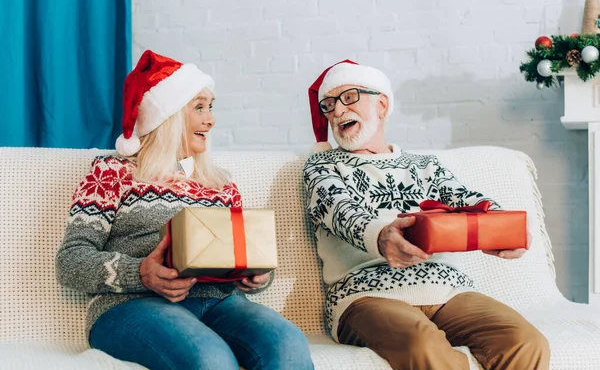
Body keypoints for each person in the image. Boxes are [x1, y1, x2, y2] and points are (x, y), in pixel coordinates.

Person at [56, 50, 313, 370]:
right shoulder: (113, 172)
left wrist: (257, 276)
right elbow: (71, 261)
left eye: (211, 107)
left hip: (221, 302)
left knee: (288, 345)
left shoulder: (221, 184)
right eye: (200, 108)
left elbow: (246, 259)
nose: (211, 119)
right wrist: (141, 273)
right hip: (133, 305)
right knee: (211, 360)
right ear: (170, 116)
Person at [303, 59, 550, 370]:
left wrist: (503, 228)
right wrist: (382, 237)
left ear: (381, 105)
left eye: (349, 97)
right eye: (328, 105)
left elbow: (466, 200)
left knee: (526, 342)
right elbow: (342, 212)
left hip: (448, 290)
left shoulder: (425, 165)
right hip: (365, 297)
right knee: (423, 345)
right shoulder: (322, 166)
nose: (337, 111)